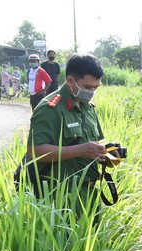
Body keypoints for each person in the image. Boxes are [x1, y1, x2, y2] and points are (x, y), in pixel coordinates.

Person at [24, 54, 106, 201]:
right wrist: (82, 150)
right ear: (70, 81)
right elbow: (34, 151)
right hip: (60, 195)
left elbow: (91, 143)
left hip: (89, 192)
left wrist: (104, 154)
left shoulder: (88, 107)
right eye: (88, 87)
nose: (92, 92)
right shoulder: (50, 108)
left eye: (96, 87)